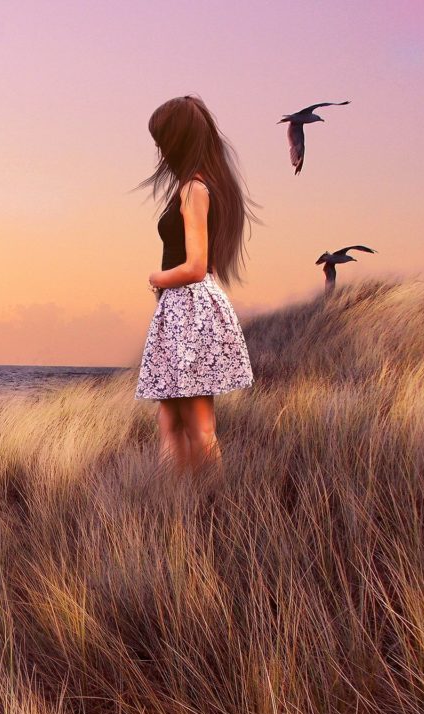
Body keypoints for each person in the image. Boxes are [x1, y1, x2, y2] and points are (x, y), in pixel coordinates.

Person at [134, 95, 260, 473]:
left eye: (162, 139)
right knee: (170, 420)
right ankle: (175, 500)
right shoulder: (194, 187)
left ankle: (211, 504)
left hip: (188, 308)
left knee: (199, 424)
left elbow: (196, 266)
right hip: (180, 311)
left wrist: (156, 277)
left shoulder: (194, 190)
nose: (159, 149)